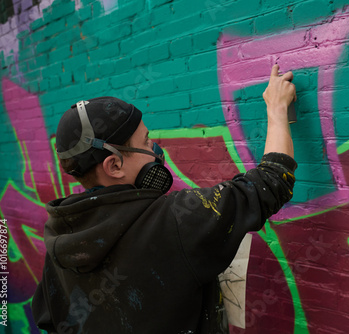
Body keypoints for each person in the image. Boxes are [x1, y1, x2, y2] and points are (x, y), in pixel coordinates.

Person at [32, 64, 297, 333]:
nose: (155, 150)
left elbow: (48, 319)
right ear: (114, 166)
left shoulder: (59, 237)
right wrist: (277, 109)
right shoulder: (172, 221)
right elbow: (271, 183)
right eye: (146, 142)